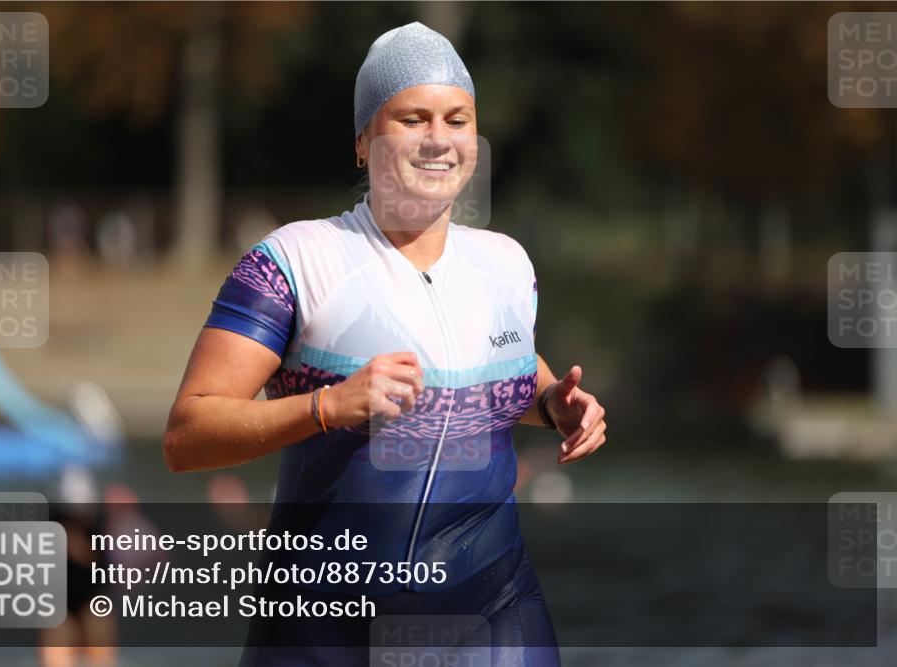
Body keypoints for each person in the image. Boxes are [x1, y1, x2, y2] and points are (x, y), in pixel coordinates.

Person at [164, 21, 607, 666]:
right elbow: (186, 436)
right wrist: (328, 407)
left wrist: (551, 404)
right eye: (413, 118)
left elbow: (498, 362)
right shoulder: (295, 259)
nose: (439, 140)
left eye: (457, 120)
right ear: (364, 138)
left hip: (494, 618)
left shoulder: (506, 263)